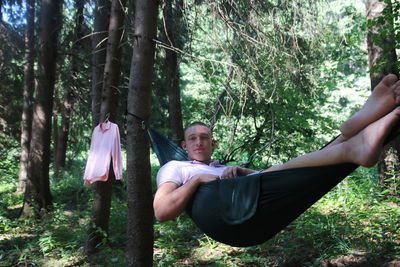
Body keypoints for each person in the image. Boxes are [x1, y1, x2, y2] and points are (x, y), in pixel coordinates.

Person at [153, 74, 400, 223]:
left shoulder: (222, 167)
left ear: (212, 143)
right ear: (184, 146)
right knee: (280, 170)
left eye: (204, 138)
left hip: (258, 190)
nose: (199, 142)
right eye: (193, 139)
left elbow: (261, 179)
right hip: (236, 216)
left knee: (279, 170)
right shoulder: (175, 167)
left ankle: (350, 135)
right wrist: (197, 181)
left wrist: (239, 172)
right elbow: (162, 212)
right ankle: (350, 143)